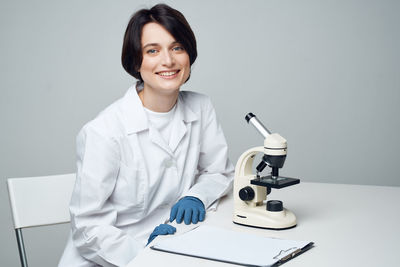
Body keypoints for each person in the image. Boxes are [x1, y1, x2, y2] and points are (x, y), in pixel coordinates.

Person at [59, 3, 234, 267]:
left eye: (177, 48)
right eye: (152, 51)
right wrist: (141, 251)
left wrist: (197, 195)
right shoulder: (103, 131)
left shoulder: (201, 107)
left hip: (175, 248)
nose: (168, 61)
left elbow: (219, 171)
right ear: (135, 61)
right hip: (114, 257)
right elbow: (88, 227)